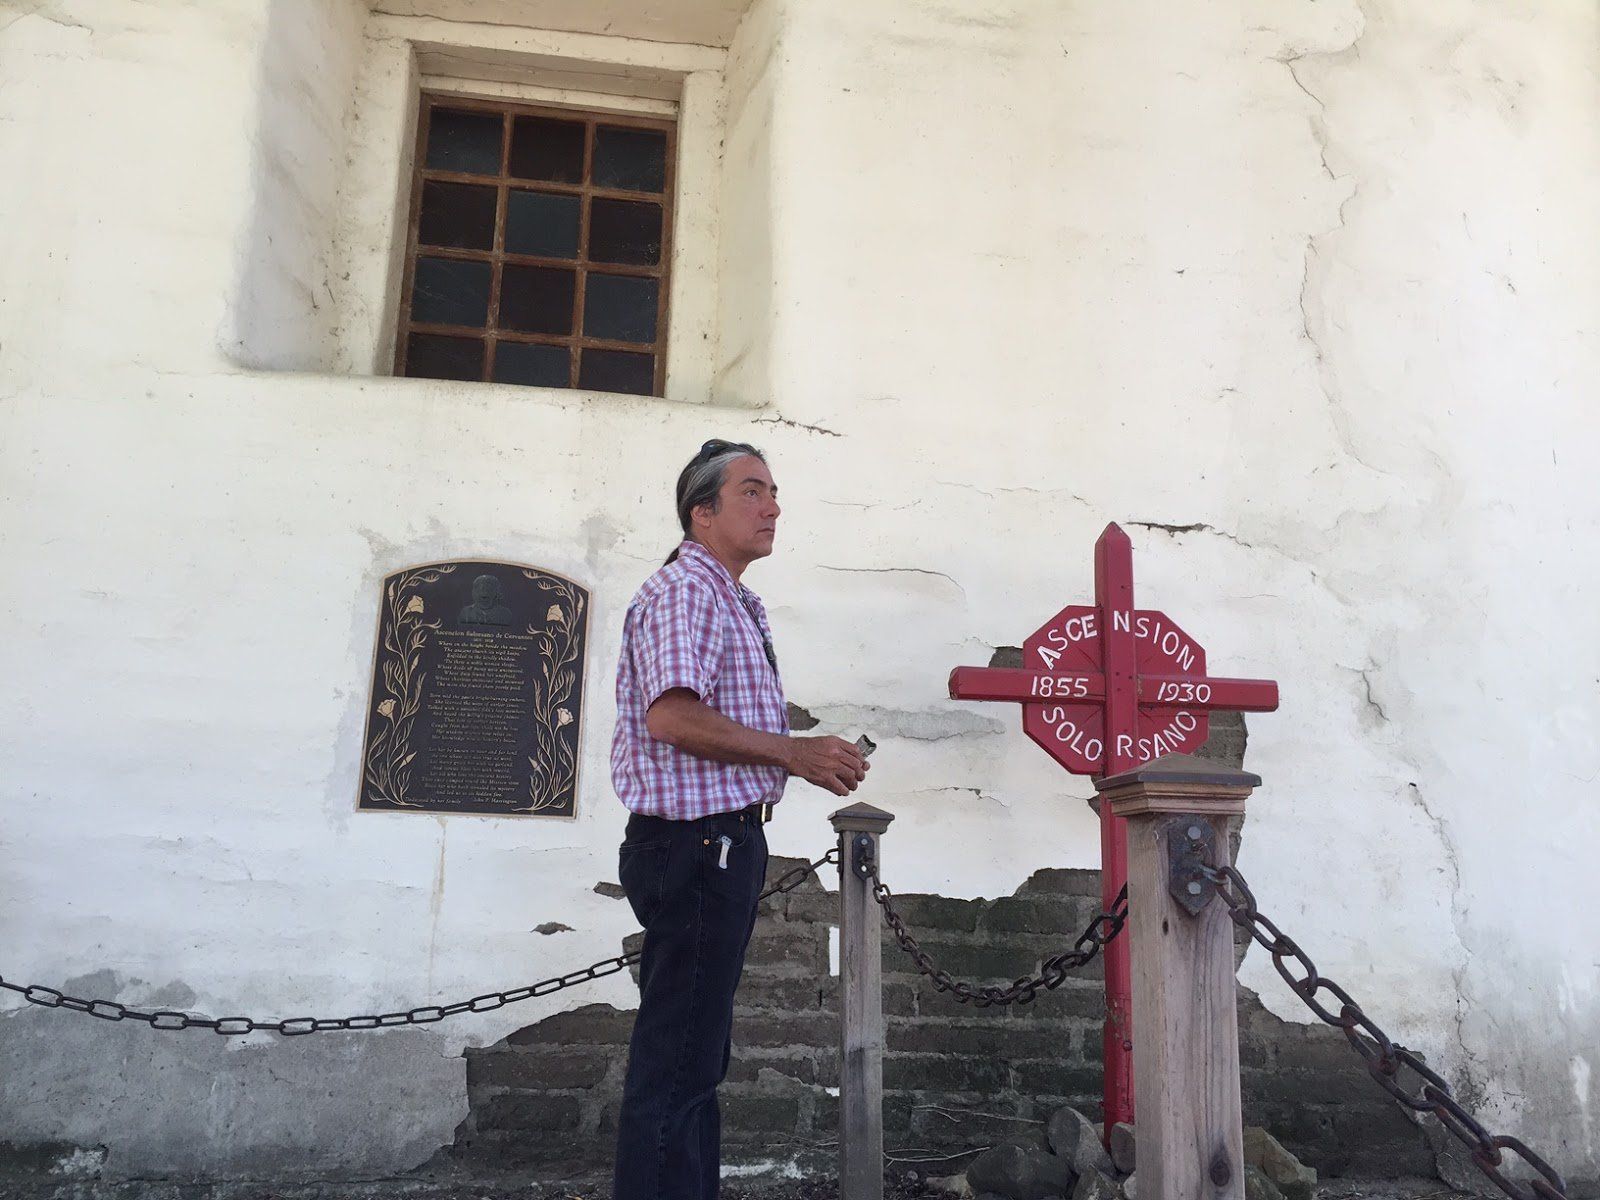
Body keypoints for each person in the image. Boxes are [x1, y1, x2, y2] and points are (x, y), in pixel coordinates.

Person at [610, 438, 870, 1200]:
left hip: (719, 843)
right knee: (679, 1059)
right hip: (694, 845)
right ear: (703, 512)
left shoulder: (727, 597)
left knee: (695, 1058)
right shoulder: (685, 591)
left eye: (774, 491)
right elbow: (672, 718)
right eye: (752, 491)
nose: (773, 506)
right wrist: (792, 752)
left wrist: (798, 758)